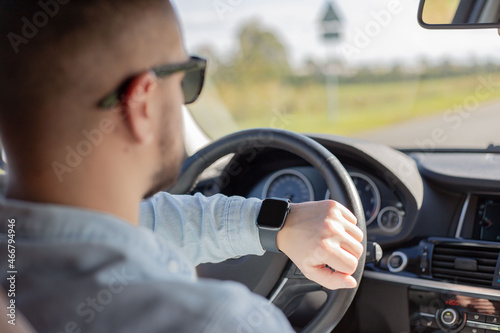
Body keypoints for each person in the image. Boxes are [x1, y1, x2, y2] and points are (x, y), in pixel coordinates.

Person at [0, 0, 363, 332]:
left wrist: (279, 222)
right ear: (142, 102)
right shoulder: (218, 323)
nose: (185, 96)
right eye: (188, 78)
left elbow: (144, 221)